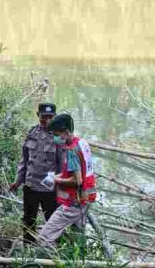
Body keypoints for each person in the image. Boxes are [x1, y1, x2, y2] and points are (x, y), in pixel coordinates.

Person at [37, 113, 97, 249]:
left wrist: (56, 181)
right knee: (78, 241)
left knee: (44, 238)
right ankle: (79, 266)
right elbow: (81, 172)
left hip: (73, 203)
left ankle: (49, 266)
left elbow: (77, 181)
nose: (55, 138)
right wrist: (57, 176)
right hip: (85, 199)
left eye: (57, 134)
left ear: (66, 131)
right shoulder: (82, 143)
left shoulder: (71, 151)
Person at [9, 102, 62, 244]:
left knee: (52, 221)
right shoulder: (32, 133)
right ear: (38, 115)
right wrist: (18, 180)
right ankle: (28, 250)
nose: (47, 120)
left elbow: (61, 165)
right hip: (31, 185)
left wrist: (61, 186)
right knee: (28, 220)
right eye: (44, 117)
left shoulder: (58, 137)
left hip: (49, 189)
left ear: (55, 117)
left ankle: (55, 252)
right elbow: (24, 160)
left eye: (51, 117)